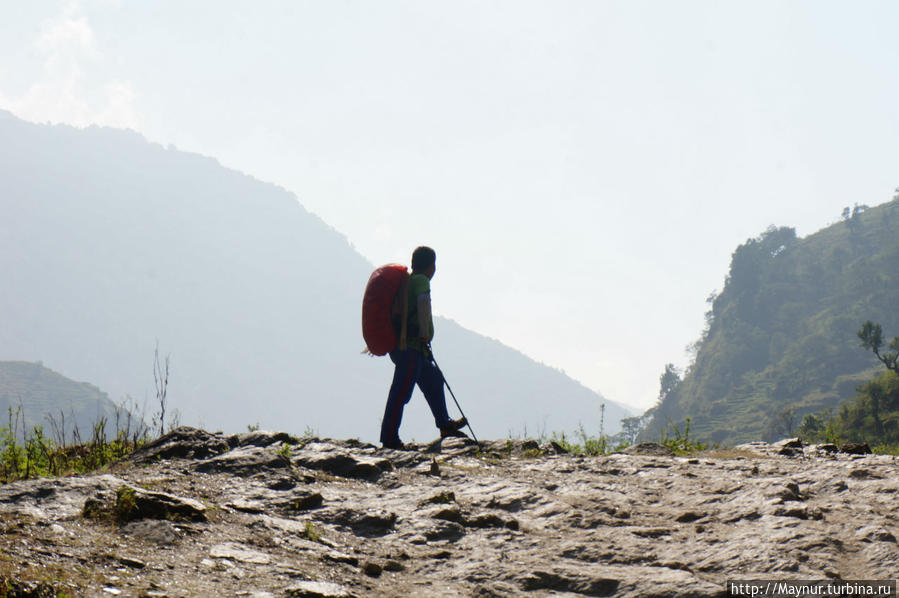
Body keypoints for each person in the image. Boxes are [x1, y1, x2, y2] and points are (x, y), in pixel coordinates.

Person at [379, 246, 467, 449]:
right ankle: (389, 438)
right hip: (410, 347)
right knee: (401, 391)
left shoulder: (408, 280)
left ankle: (445, 425)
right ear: (431, 266)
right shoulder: (420, 281)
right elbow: (423, 302)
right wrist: (424, 332)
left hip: (413, 349)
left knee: (435, 380)